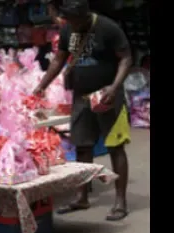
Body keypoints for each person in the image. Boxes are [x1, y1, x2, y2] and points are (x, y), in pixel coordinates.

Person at [33, 0, 133, 221]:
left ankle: (120, 201)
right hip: (81, 97)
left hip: (108, 97)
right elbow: (59, 59)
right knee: (82, 146)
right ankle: (82, 196)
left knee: (116, 147)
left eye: (73, 21)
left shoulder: (108, 28)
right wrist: (41, 86)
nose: (69, 25)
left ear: (84, 16)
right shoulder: (69, 27)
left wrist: (114, 87)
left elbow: (126, 58)